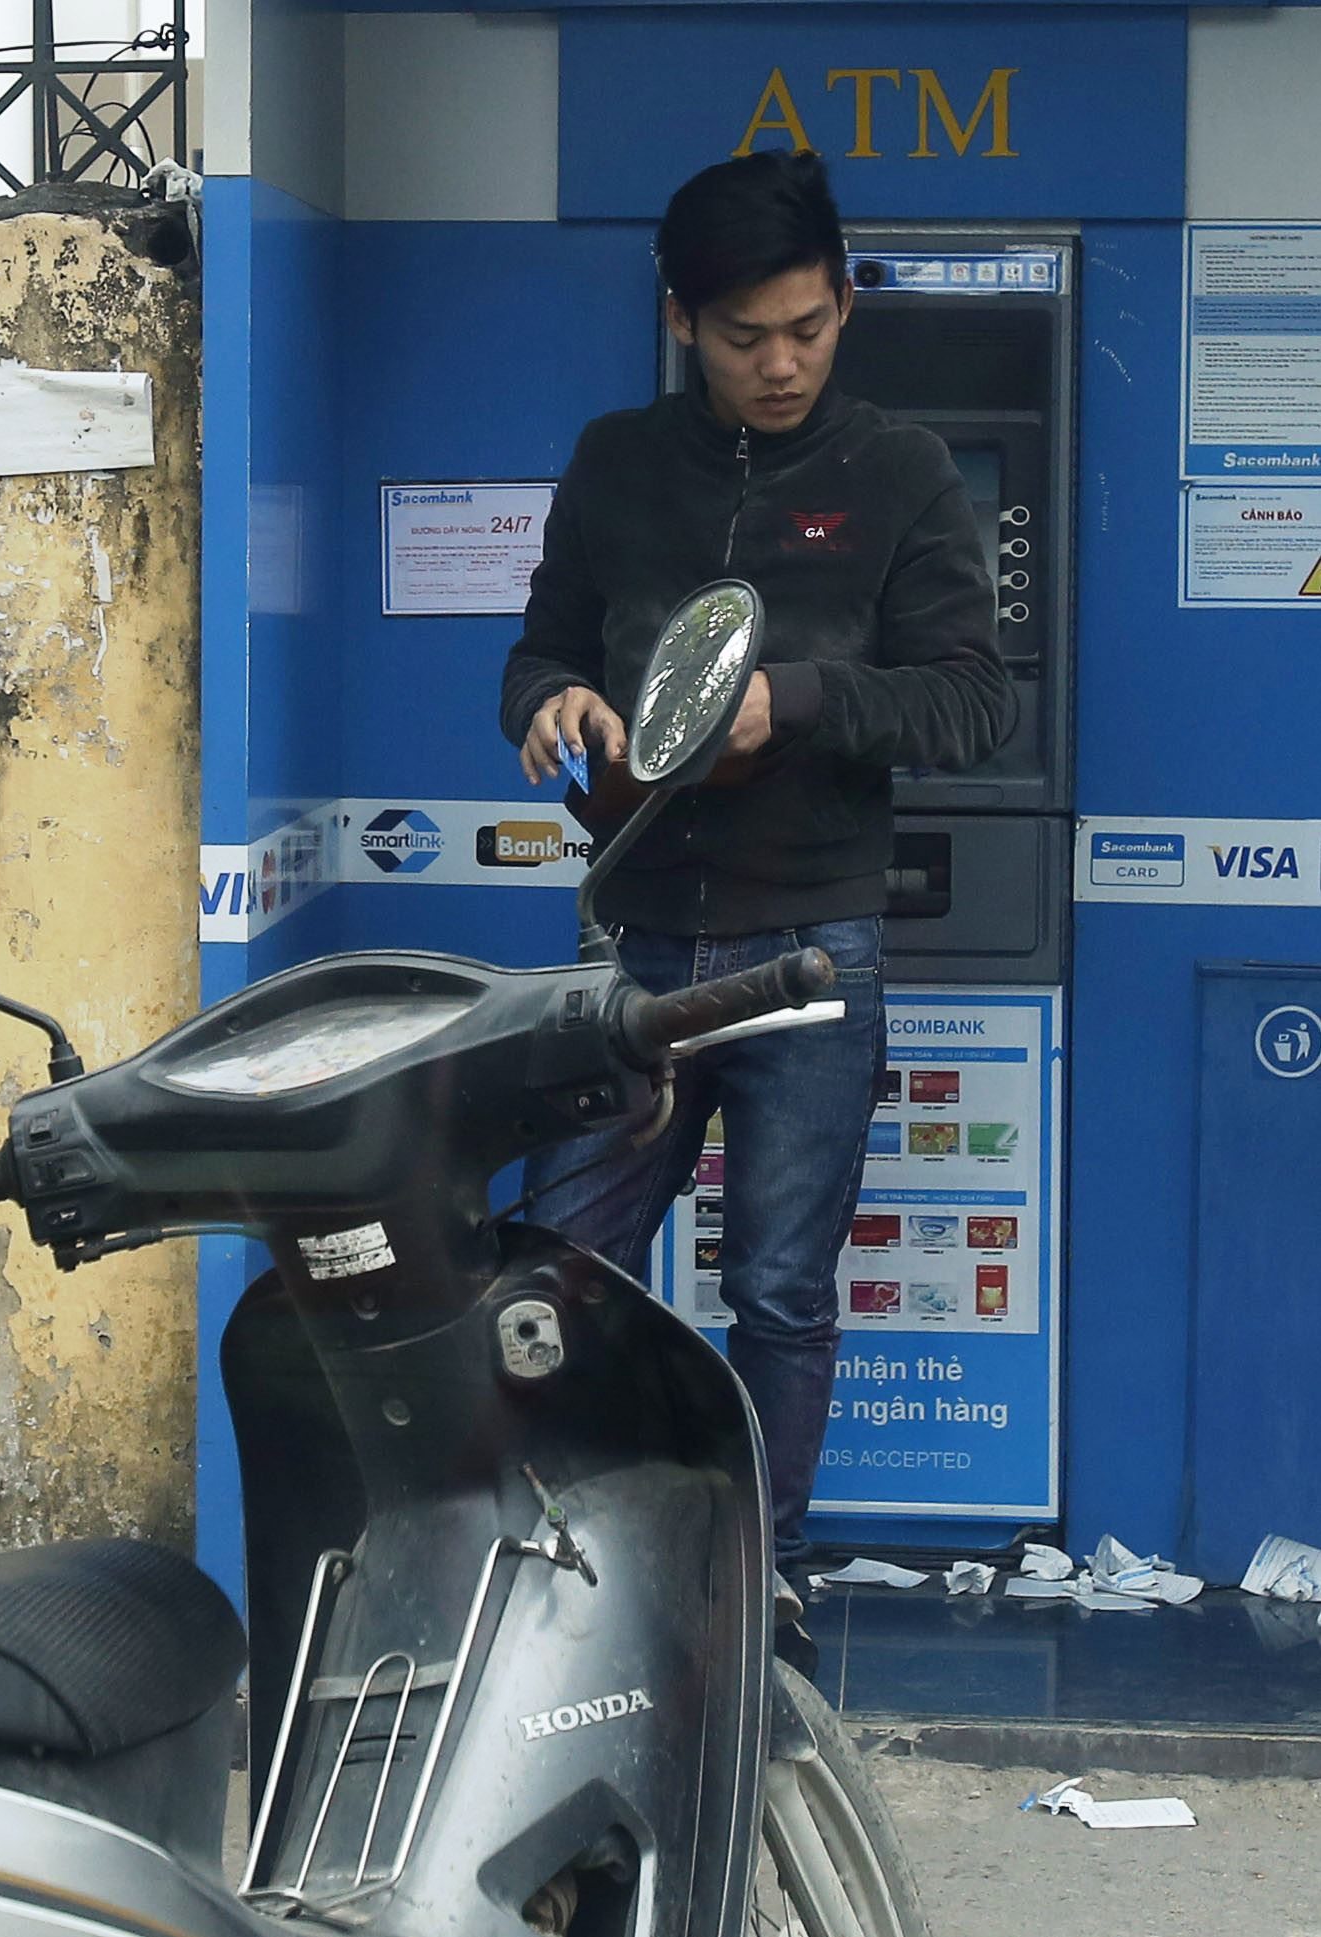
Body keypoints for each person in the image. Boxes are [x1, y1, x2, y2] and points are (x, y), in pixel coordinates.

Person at [497, 151, 1013, 1598]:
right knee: (553, 1266)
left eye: (807, 328)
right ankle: (557, 1561)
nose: (779, 364)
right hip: (640, 950)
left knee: (779, 1290)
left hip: (810, 957)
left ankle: (760, 1580)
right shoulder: (616, 462)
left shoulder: (900, 472)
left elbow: (977, 702)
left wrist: (798, 700)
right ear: (681, 322)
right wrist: (547, 701)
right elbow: (541, 644)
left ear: (847, 303)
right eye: (743, 338)